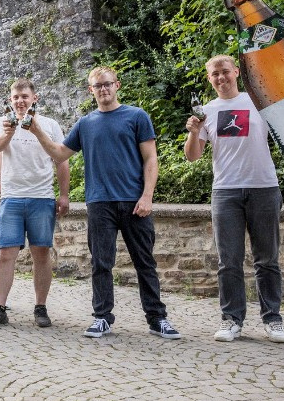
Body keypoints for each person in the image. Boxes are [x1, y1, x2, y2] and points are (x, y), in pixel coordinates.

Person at [28, 66, 181, 339]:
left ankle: (157, 319)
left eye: (107, 84)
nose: (103, 89)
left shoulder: (136, 116)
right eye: (98, 86)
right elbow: (60, 154)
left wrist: (147, 196)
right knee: (101, 263)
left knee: (144, 262)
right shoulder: (86, 123)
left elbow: (151, 158)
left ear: (117, 85)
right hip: (99, 203)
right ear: (91, 91)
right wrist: (37, 130)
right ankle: (102, 318)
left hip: (134, 202)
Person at [184, 55, 284, 343]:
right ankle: (232, 319)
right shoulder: (206, 111)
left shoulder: (259, 102)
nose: (221, 78)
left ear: (236, 73)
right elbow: (193, 156)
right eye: (215, 74)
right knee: (228, 260)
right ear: (209, 79)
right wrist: (194, 133)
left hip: (263, 187)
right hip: (226, 191)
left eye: (225, 72)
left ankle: (273, 319)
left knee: (267, 258)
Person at [0, 78, 70, 329]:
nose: (20, 101)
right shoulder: (2, 122)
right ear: (10, 100)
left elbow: (62, 160)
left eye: (24, 97)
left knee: (41, 252)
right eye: (16, 97)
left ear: (35, 98)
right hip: (12, 196)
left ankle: (40, 307)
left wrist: (63, 195)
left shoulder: (50, 125)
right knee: (5, 252)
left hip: (42, 196)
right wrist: (10, 131)